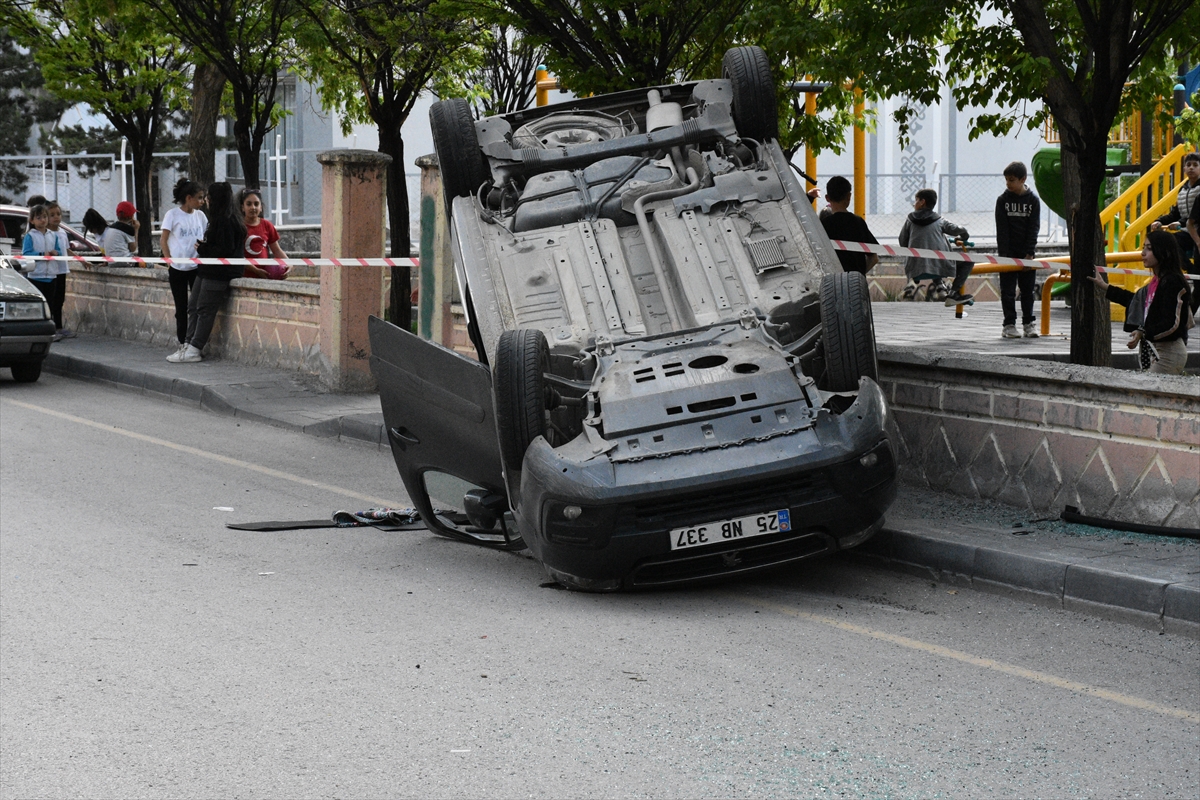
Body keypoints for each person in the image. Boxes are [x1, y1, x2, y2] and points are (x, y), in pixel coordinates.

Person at [1088, 230, 1192, 375]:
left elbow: (1171, 323)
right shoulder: (1157, 282)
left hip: (1169, 354)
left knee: (1150, 393)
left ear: (1164, 252)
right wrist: (1104, 286)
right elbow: (1134, 301)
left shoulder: (1172, 282)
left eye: (1149, 248)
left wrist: (1143, 332)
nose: (1143, 253)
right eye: (1143, 247)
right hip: (1155, 351)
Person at [168, 182, 246, 364]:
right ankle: (187, 344)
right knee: (193, 307)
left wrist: (203, 248)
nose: (207, 200)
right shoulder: (218, 218)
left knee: (205, 309)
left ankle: (195, 347)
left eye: (209, 196)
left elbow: (224, 249)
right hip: (206, 270)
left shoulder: (227, 220)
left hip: (219, 273)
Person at [898, 188, 973, 306]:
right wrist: (964, 235)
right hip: (939, 265)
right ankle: (953, 294)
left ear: (922, 202)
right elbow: (957, 229)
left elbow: (902, 241)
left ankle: (940, 286)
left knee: (932, 259)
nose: (914, 203)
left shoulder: (910, 221)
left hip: (915, 267)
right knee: (967, 261)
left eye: (916, 200)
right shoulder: (939, 221)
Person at [995, 161, 1042, 339]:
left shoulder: (1033, 201)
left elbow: (1033, 228)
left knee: (1027, 290)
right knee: (1007, 291)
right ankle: (1009, 324)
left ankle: (1029, 323)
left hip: (1026, 254)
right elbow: (1002, 230)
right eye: (1006, 180)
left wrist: (1029, 252)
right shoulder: (1003, 200)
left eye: (1012, 180)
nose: (1008, 184)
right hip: (1007, 253)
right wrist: (1004, 256)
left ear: (1023, 179)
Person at [159, 179, 208, 350]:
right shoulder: (172, 215)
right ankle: (182, 341)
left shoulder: (200, 216)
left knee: (196, 306)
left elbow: (204, 237)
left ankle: (195, 341)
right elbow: (163, 239)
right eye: (199, 198)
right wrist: (169, 261)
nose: (202, 202)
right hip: (178, 269)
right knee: (181, 307)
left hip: (196, 268)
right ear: (189, 198)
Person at [819, 175, 879, 275]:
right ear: (849, 197)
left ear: (827, 198)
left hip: (832, 282)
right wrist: (859, 276)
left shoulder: (823, 225)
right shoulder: (858, 222)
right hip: (856, 286)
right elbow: (874, 258)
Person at [1150, 151, 1199, 266]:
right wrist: (1160, 221)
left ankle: (1195, 274)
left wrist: (1180, 223)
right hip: (1187, 232)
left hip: (1198, 230)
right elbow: (1175, 213)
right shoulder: (1183, 190)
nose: (1191, 168)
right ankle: (1189, 270)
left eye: (1195, 165)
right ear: (1184, 169)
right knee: (1168, 242)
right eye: (1188, 165)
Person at [238, 188, 290, 280]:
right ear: (242, 207)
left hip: (264, 278)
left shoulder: (267, 225)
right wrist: (256, 270)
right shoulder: (238, 226)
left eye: (256, 204)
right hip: (243, 278)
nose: (253, 207)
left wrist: (289, 264)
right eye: (249, 204)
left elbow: (277, 250)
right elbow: (238, 255)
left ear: (261, 207)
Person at [42, 201, 74, 338]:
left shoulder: (62, 233)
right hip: (51, 271)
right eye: (52, 215)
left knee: (60, 299)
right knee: (52, 299)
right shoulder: (46, 234)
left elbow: (67, 249)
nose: (56, 217)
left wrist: (80, 259)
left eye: (58, 214)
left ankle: (59, 327)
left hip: (62, 269)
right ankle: (51, 327)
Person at [100, 201, 140, 266]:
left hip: (111, 263)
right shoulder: (127, 229)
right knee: (153, 266)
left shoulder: (110, 228)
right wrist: (136, 229)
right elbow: (133, 248)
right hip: (125, 261)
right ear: (131, 216)